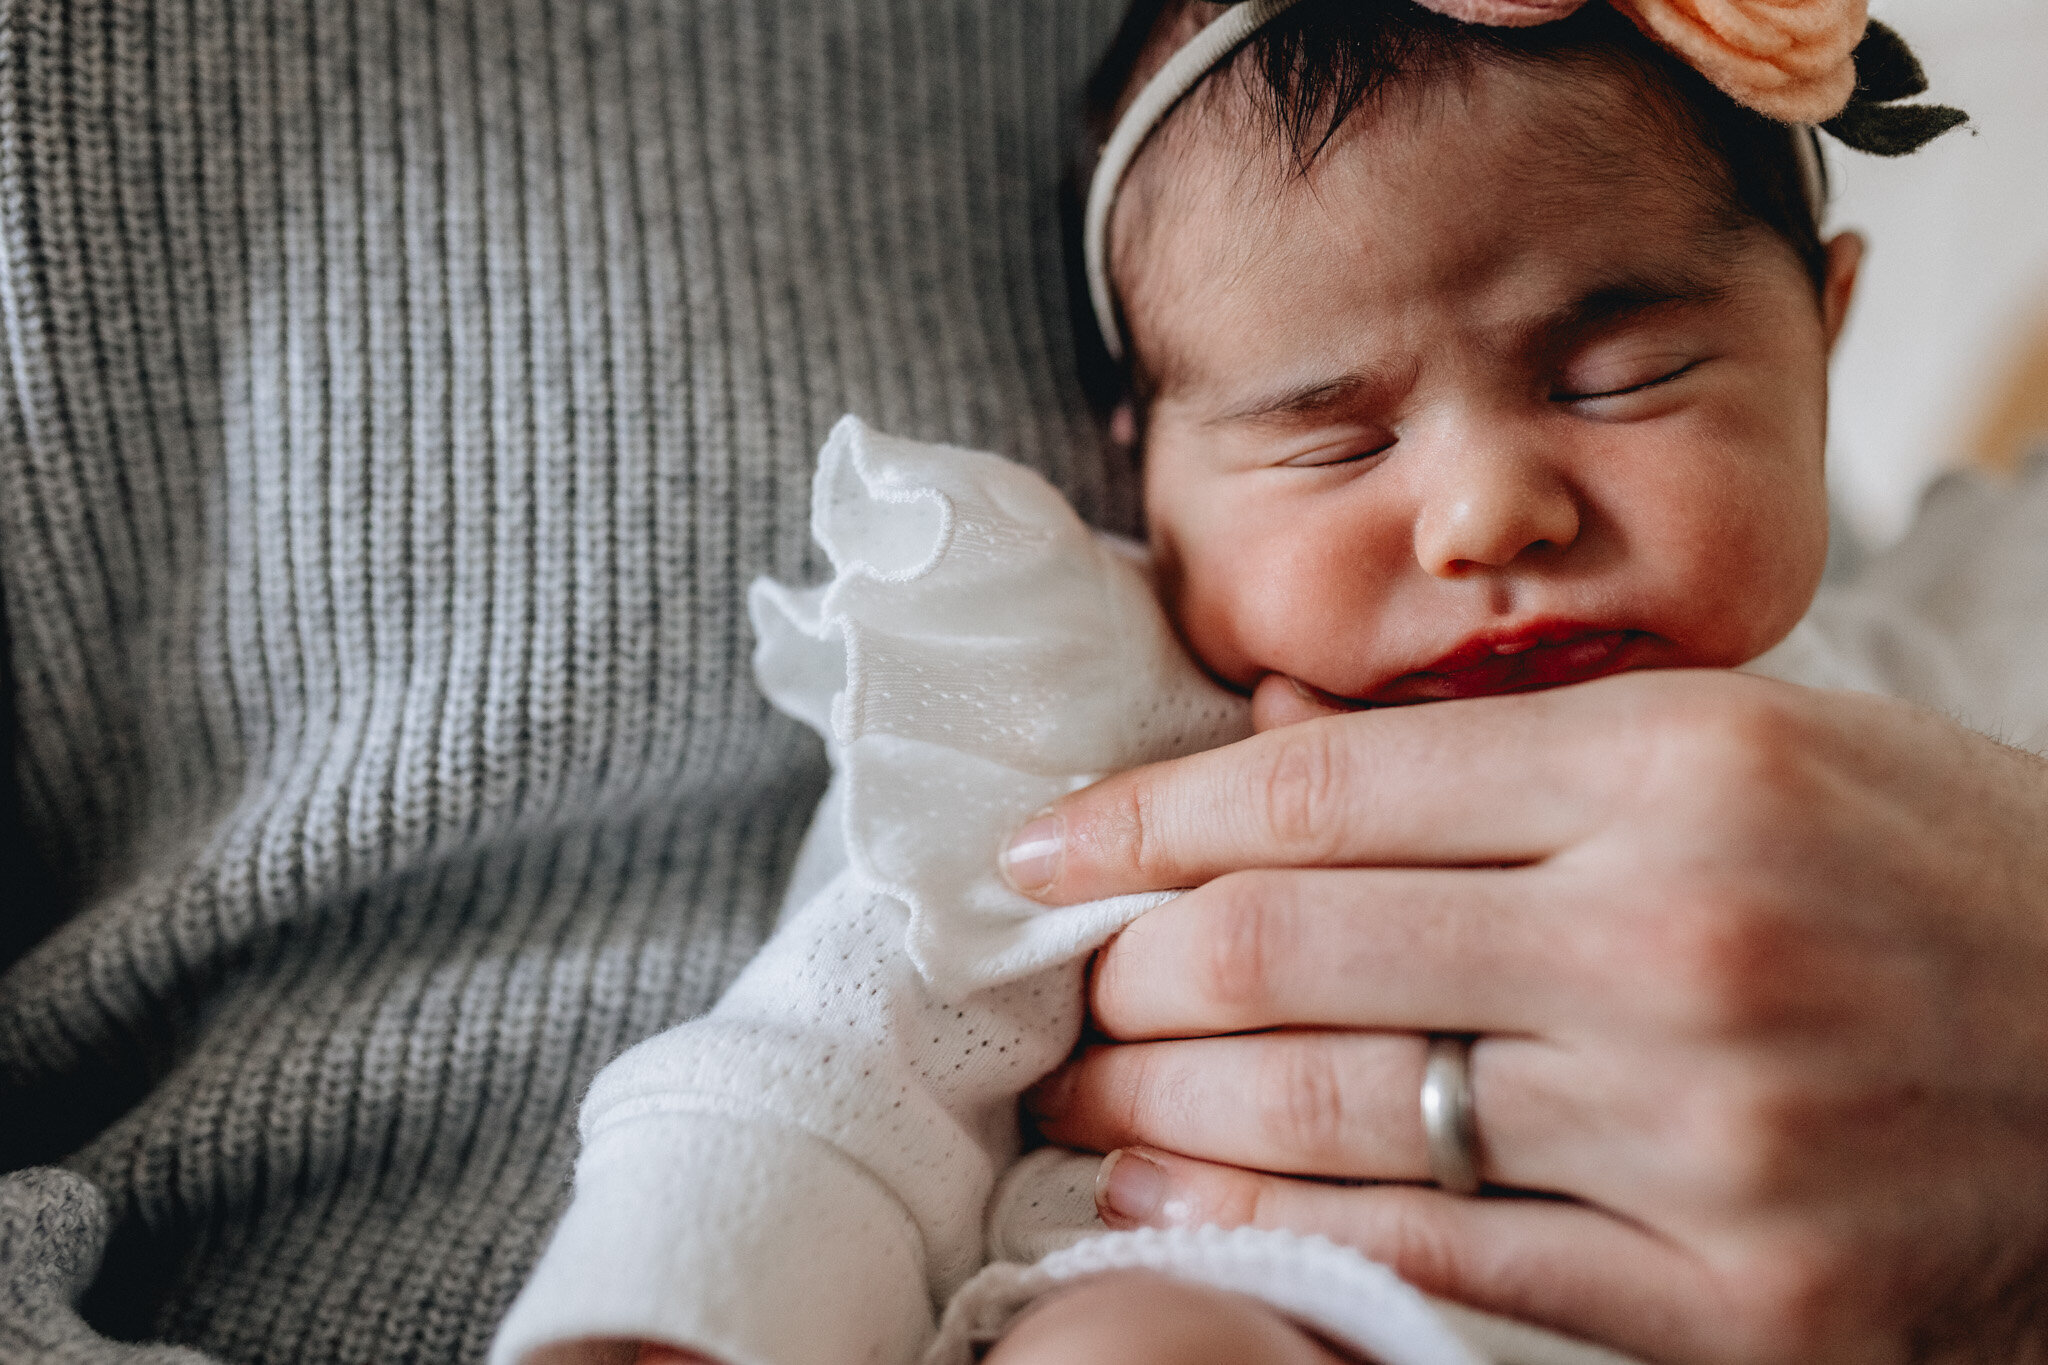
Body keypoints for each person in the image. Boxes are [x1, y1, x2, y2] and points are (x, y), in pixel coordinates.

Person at [3, 6, 2045, 1365]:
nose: (1488, 508)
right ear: (1131, 462)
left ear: (1826, 327)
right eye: (1333, 436)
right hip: (1267, 1297)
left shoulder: (1934, 674)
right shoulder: (1083, 698)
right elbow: (838, 1058)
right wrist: (666, 1317)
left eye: (1619, 369)